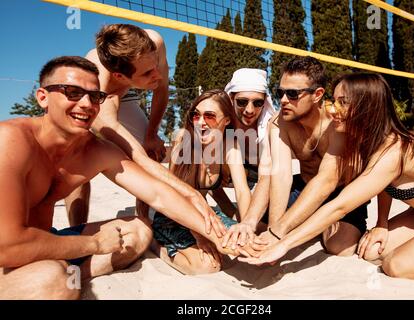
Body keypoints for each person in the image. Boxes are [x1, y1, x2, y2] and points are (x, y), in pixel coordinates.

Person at [0, 56, 237, 299]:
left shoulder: (95, 149)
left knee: (139, 231)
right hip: (8, 253)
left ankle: (70, 276)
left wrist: (220, 236)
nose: (86, 104)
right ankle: (61, 279)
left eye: (95, 96)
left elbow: (158, 194)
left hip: (46, 240)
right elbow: (9, 246)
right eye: (72, 92)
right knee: (50, 280)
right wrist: (95, 245)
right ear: (42, 97)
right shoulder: (11, 141)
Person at [239, 73, 414, 284]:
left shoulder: (394, 152)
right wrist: (381, 223)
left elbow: (339, 207)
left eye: (342, 103)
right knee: (371, 252)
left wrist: (283, 243)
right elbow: (385, 185)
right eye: (334, 101)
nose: (332, 110)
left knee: (396, 265)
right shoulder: (368, 140)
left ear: (367, 108)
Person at [65, 24, 224, 236]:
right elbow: (137, 158)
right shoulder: (96, 87)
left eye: (155, 65)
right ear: (119, 76)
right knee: (76, 163)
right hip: (102, 103)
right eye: (148, 72)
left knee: (153, 151)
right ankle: (76, 230)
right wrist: (190, 193)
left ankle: (144, 215)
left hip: (127, 92)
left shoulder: (154, 42)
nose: (157, 74)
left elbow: (162, 90)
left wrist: (151, 135)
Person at [253, 57, 369, 256]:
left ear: (317, 95)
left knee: (340, 247)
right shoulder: (279, 123)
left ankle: (312, 223)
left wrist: (279, 232)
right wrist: (274, 230)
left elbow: (327, 180)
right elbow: (280, 176)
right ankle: (306, 221)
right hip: (304, 187)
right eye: (280, 92)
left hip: (340, 191)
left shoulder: (337, 121)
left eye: (292, 94)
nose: (283, 100)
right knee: (254, 227)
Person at [151, 89, 258, 275]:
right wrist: (200, 235)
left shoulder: (230, 144)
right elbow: (174, 197)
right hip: (174, 216)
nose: (201, 122)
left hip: (205, 215)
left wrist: (247, 225)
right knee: (208, 266)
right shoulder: (183, 141)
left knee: (246, 247)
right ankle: (155, 246)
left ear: (226, 121)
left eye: (210, 116)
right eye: (196, 115)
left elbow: (242, 191)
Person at [218, 68, 275, 249]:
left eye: (257, 103)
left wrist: (248, 224)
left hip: (260, 176)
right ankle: (230, 211)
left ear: (265, 102)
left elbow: (267, 177)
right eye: (242, 102)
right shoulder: (220, 121)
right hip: (228, 172)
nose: (250, 110)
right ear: (231, 98)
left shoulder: (269, 126)